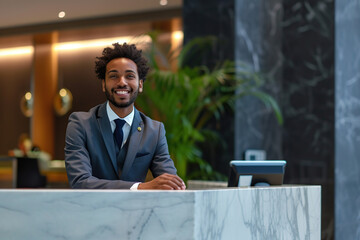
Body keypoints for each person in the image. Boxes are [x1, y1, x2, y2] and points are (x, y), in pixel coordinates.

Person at [65, 43, 186, 190]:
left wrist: (176, 185)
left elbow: (170, 183)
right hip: (92, 211)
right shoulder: (80, 124)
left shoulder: (155, 131)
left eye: (130, 76)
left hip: (136, 213)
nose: (122, 82)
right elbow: (80, 182)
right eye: (114, 76)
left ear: (140, 84)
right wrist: (138, 187)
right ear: (103, 84)